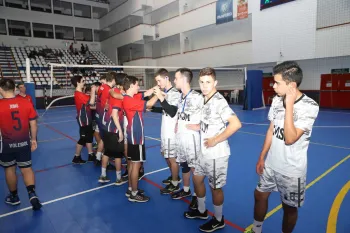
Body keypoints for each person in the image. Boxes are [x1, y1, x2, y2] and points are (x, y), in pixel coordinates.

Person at [244, 61, 319, 233]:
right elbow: (271, 129)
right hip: (271, 164)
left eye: (277, 82)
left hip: (291, 170)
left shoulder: (310, 106)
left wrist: (290, 104)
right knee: (259, 195)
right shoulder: (277, 100)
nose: (273, 85)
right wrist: (262, 156)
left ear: (292, 85)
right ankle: (256, 229)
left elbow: (290, 138)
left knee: (289, 208)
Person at [183, 67, 242, 232]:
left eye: (208, 82)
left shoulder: (219, 101)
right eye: (201, 82)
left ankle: (218, 219)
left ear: (215, 83)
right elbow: (209, 121)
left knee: (215, 187)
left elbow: (236, 124)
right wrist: (197, 126)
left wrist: (215, 139)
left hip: (217, 154)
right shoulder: (203, 99)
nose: (204, 86)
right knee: (197, 179)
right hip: (204, 151)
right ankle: (202, 211)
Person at [0, 78, 42, 210]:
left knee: (10, 169)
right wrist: (34, 139)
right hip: (24, 142)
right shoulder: (26, 102)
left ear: (1, 89)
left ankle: (14, 196)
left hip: (5, 145)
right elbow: (33, 123)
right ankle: (32, 194)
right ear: (14, 89)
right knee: (26, 168)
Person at [170, 68, 203, 210]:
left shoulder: (197, 97)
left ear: (184, 80)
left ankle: (196, 196)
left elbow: (211, 118)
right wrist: (177, 124)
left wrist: (199, 126)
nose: (174, 81)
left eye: (176, 78)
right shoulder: (180, 96)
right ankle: (186, 189)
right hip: (180, 138)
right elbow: (179, 113)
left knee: (195, 169)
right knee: (184, 165)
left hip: (191, 139)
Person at [122, 76, 156, 202]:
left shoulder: (129, 98)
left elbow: (145, 94)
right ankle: (134, 194)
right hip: (136, 136)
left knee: (131, 163)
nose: (139, 87)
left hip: (131, 135)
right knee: (136, 165)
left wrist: (154, 89)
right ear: (131, 86)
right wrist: (158, 94)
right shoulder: (129, 101)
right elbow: (150, 103)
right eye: (137, 85)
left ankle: (131, 188)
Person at [151, 68, 182, 194]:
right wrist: (153, 109)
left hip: (171, 133)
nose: (158, 84)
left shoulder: (174, 93)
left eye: (159, 80)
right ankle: (174, 176)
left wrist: (159, 96)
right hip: (165, 131)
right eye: (157, 81)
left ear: (166, 78)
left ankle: (175, 184)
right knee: (166, 156)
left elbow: (172, 111)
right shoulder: (166, 92)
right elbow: (165, 109)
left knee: (172, 158)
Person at [71, 76, 96, 164]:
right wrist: (93, 91)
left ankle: (90, 154)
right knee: (83, 138)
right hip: (83, 119)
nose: (84, 82)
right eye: (82, 81)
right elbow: (91, 102)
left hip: (87, 118)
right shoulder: (78, 94)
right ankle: (76, 157)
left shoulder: (81, 93)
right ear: (77, 83)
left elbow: (90, 104)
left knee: (89, 137)